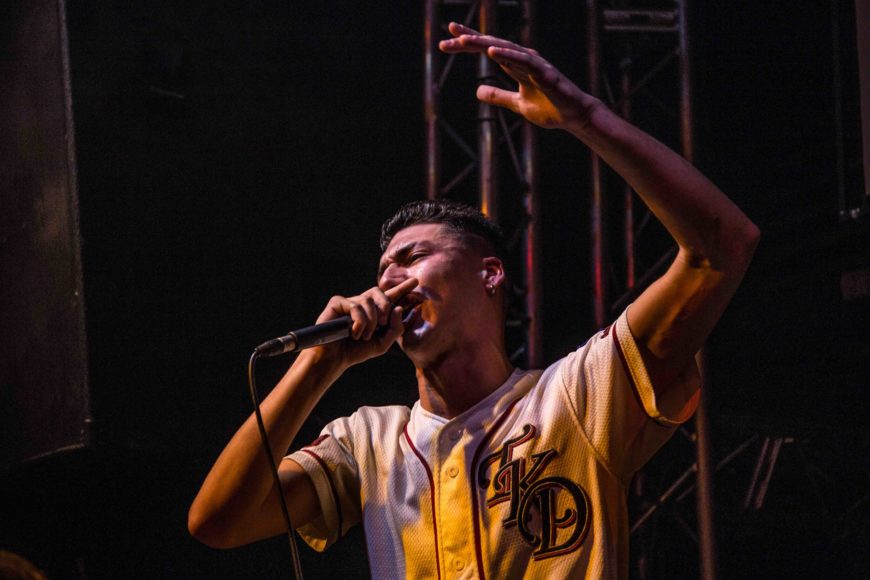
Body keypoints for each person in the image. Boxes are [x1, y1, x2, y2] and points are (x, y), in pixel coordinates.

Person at [188, 22, 760, 579]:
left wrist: (587, 118)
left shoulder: (578, 395)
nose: (389, 280)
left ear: (489, 274)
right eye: (382, 271)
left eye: (413, 257)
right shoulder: (367, 443)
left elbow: (723, 246)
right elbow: (218, 522)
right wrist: (318, 365)